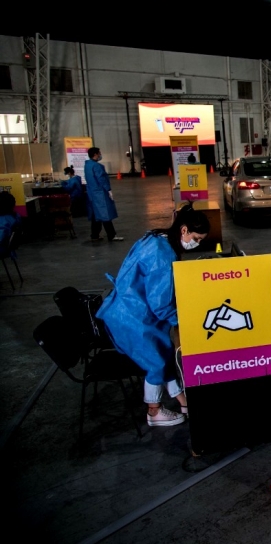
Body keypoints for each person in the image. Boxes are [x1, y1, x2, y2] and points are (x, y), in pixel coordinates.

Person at [96, 203, 211, 427]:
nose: (196, 244)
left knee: (165, 354)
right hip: (132, 319)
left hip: (129, 309)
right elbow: (160, 305)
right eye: (196, 238)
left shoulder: (158, 237)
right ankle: (154, 411)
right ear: (184, 230)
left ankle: (183, 401)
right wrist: (187, 320)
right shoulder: (162, 256)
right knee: (156, 362)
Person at [84, 147, 123, 242]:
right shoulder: (97, 166)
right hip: (100, 193)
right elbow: (101, 179)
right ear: (95, 154)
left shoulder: (87, 165)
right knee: (105, 213)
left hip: (92, 193)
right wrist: (108, 189)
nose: (100, 155)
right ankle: (111, 235)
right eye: (99, 153)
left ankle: (94, 235)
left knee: (95, 215)